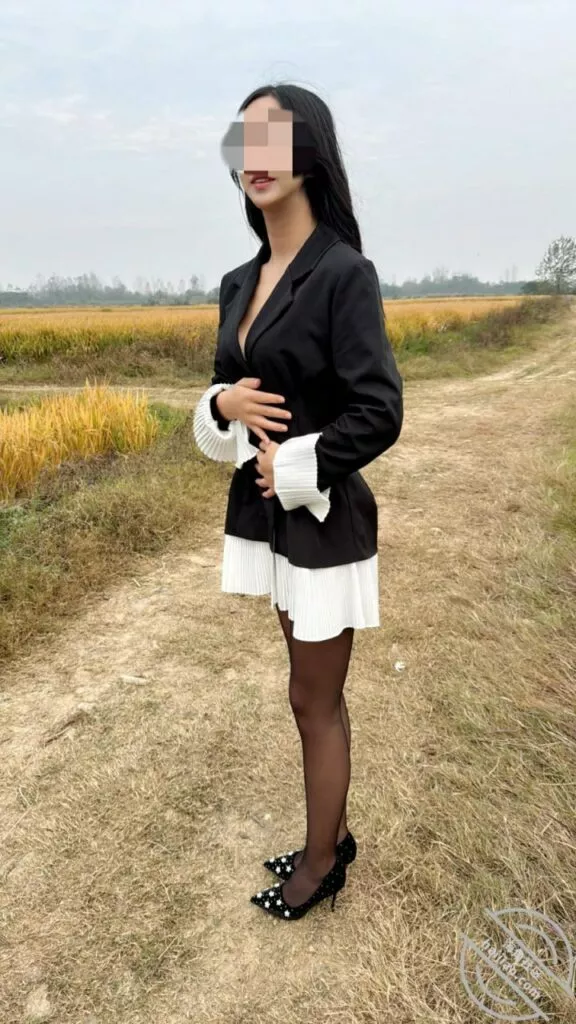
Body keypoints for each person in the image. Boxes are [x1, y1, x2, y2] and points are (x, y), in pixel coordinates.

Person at [193, 82, 403, 921]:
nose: (257, 156)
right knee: (310, 692)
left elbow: (379, 410)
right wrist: (223, 404)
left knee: (311, 699)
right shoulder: (239, 281)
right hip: (270, 525)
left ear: (310, 152)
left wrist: (296, 462)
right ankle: (332, 836)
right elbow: (227, 390)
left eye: (274, 138)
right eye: (244, 140)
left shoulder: (344, 273)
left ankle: (323, 863)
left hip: (322, 521)